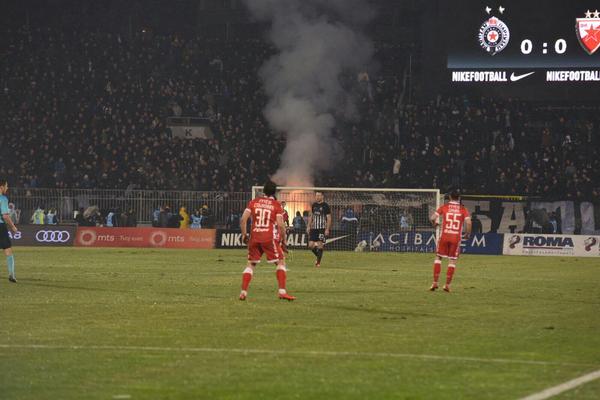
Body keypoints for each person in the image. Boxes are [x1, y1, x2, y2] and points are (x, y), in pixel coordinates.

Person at [239, 180, 295, 301]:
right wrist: (284, 241)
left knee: (251, 264)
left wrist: (244, 235)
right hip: (268, 238)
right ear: (274, 192)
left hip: (254, 237)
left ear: (263, 191)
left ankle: (243, 292)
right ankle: (282, 292)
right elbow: (281, 225)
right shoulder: (276, 205)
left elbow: (243, 219)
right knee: (280, 261)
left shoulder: (254, 202)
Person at [429, 189, 471, 292]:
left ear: (450, 197)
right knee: (452, 260)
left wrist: (434, 224)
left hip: (444, 235)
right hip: (456, 237)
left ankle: (435, 283)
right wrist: (467, 234)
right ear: (459, 198)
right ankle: (447, 285)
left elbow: (432, 217)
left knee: (438, 257)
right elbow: (469, 223)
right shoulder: (463, 209)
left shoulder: (444, 207)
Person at [0, 179, 19, 283]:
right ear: (1, 187)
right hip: (0, 226)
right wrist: (13, 227)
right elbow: (6, 216)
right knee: (7, 250)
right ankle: (11, 275)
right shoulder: (2, 199)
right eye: (6, 186)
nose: (7, 188)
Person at [307, 191, 331, 267]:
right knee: (310, 245)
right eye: (316, 195)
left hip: (322, 228)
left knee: (320, 244)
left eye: (319, 195)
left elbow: (329, 218)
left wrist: (327, 229)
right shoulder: (314, 205)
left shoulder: (325, 206)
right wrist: (308, 226)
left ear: (322, 196)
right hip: (314, 228)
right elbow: (311, 216)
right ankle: (319, 256)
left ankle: (318, 263)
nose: (317, 197)